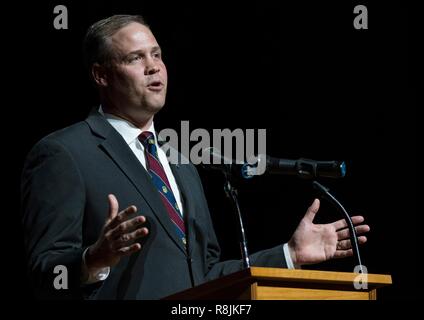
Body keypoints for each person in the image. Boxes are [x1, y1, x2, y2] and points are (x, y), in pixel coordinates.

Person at [21, 14, 370, 300]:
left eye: (157, 55)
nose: (153, 67)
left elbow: (204, 275)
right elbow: (45, 275)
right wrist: (93, 259)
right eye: (135, 58)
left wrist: (288, 255)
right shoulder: (64, 153)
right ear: (101, 74)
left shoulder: (179, 159)